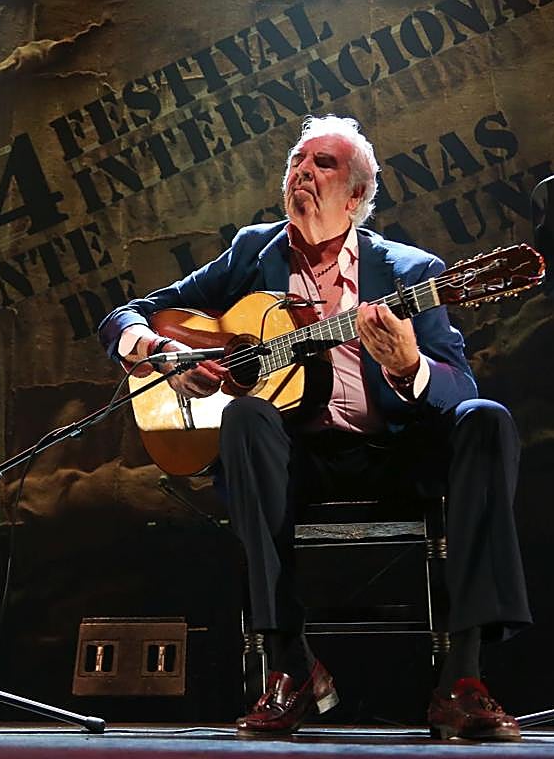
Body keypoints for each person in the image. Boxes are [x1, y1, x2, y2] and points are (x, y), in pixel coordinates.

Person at [98, 115, 530, 740]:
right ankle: (289, 665)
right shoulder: (254, 253)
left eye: (322, 164)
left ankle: (463, 678)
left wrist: (409, 366)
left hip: (396, 455)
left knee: (486, 420)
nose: (303, 171)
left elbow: (462, 388)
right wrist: (162, 356)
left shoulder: (411, 272)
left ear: (356, 196)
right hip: (293, 460)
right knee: (247, 413)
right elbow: (129, 314)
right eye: (297, 162)